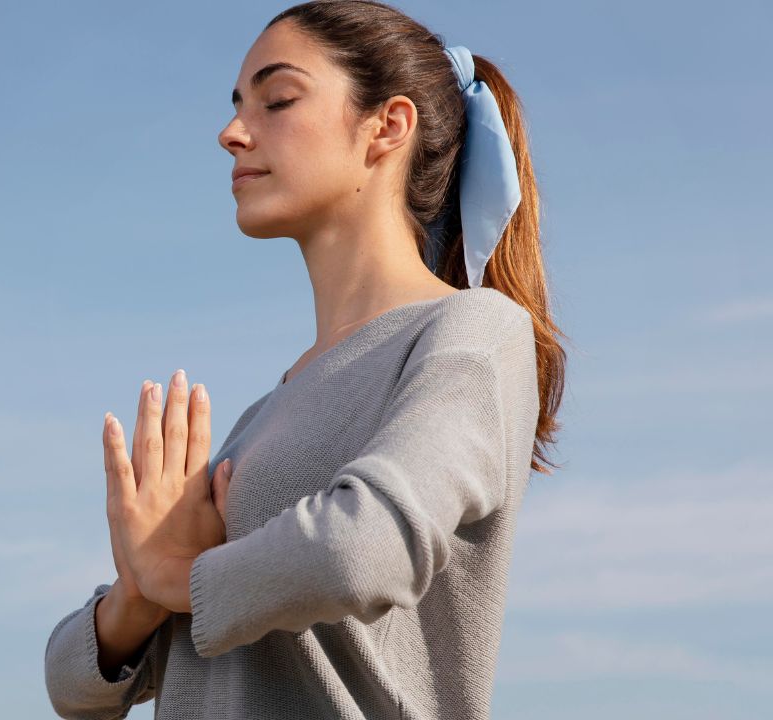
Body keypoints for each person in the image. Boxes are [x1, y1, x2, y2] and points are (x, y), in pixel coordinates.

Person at [43, 1, 568, 718]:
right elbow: (72, 687)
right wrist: (140, 592)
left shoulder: (472, 331)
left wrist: (181, 576)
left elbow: (365, 549)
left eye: (278, 100)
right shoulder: (261, 418)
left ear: (388, 126)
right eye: (237, 106)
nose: (232, 132)